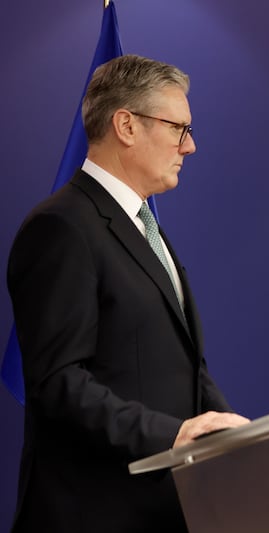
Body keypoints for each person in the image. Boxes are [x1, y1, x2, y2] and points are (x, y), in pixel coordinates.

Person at [7, 54, 250, 533]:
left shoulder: (142, 226)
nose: (191, 146)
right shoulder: (61, 227)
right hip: (93, 512)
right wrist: (173, 435)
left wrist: (229, 429)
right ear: (126, 125)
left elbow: (181, 363)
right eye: (179, 128)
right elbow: (58, 382)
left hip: (162, 506)